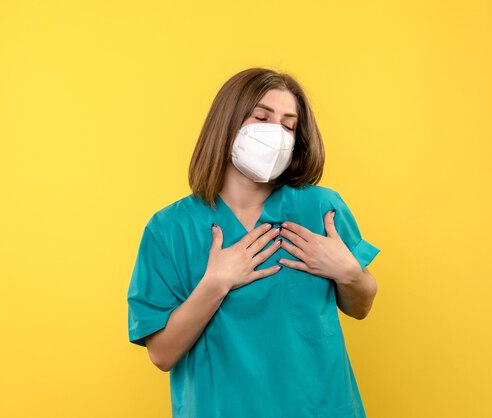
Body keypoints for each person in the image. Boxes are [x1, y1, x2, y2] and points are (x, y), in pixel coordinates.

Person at [127, 67, 380, 418]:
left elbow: (361, 305)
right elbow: (162, 354)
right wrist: (215, 283)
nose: (276, 133)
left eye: (289, 125)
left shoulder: (320, 209)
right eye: (262, 117)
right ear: (227, 123)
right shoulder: (169, 229)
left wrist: (350, 273)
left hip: (319, 407)